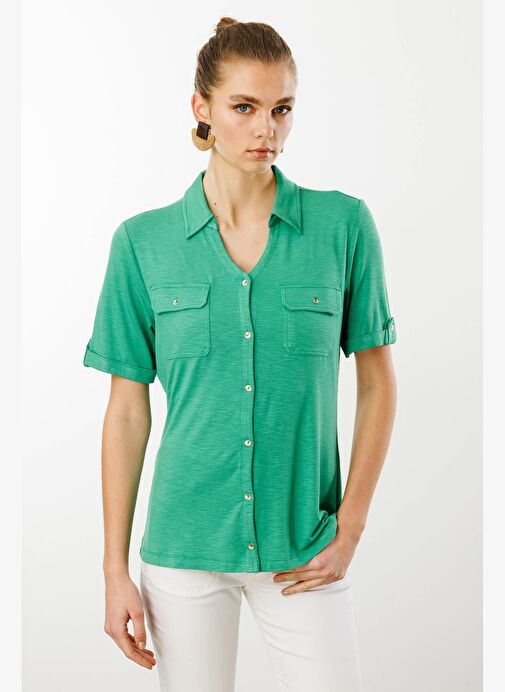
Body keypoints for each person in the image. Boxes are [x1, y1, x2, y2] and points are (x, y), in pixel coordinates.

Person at [83, 16, 398, 692]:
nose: (267, 131)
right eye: (245, 107)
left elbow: (377, 384)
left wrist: (349, 529)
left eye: (282, 109)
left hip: (305, 549)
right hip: (183, 551)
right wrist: (114, 569)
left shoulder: (343, 227)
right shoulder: (141, 244)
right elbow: (126, 412)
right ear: (202, 108)